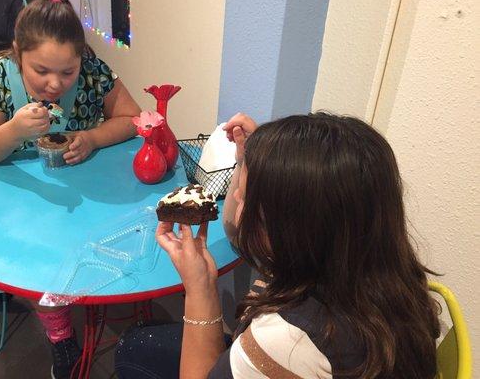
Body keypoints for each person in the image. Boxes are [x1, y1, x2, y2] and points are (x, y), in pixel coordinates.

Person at [114, 112, 441, 378]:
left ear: (290, 228)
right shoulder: (371, 268)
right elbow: (237, 231)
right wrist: (250, 161)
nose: (236, 196)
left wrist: (200, 289)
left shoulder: (289, 341)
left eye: (245, 195)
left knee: (134, 349)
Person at [0, 0, 141, 379]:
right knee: (39, 257)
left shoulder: (92, 71)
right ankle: (60, 337)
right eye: (41, 71)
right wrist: (12, 130)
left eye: (67, 72)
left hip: (74, 192)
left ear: (81, 59)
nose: (55, 84)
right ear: (18, 53)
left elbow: (132, 118)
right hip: (9, 192)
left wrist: (92, 137)